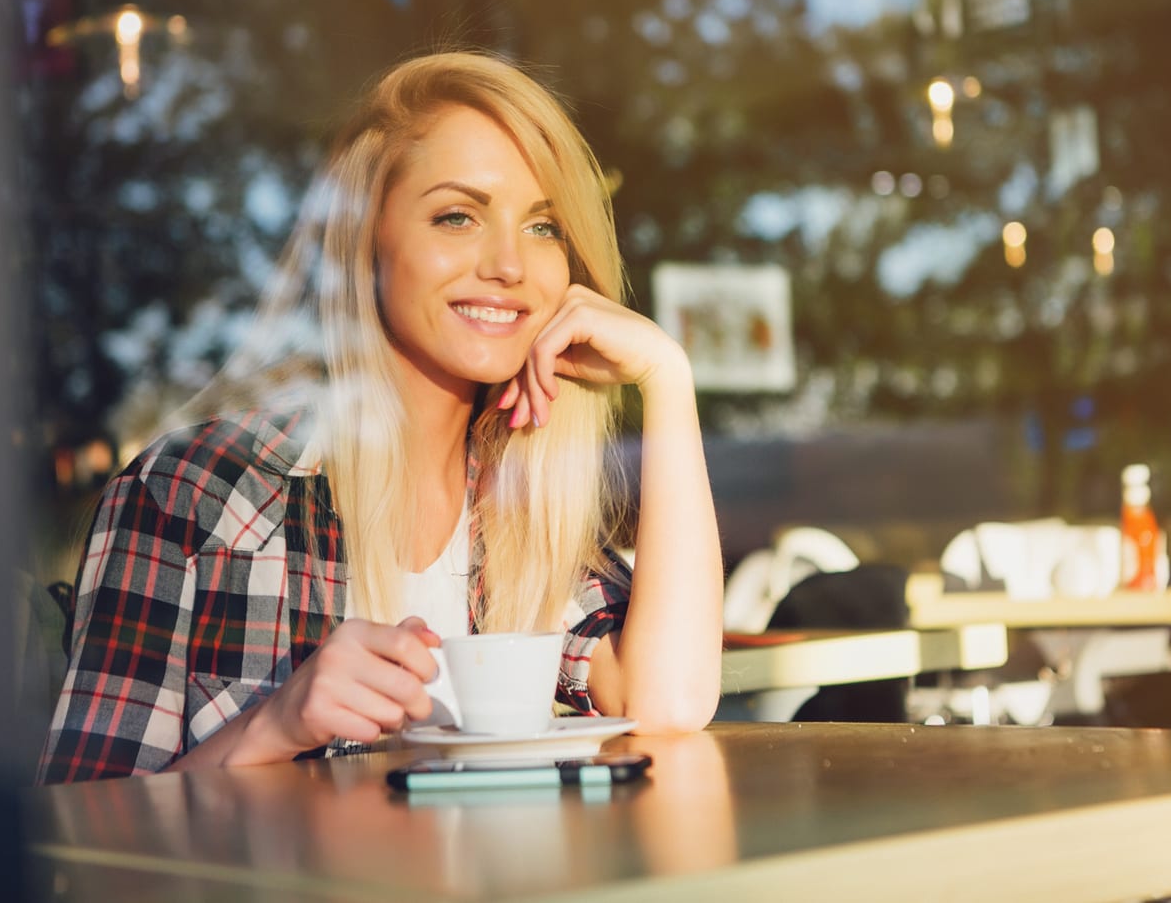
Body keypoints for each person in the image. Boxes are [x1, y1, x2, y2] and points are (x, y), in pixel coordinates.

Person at [38, 51, 724, 783]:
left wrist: (667, 380)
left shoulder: (523, 516)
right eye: (458, 216)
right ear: (367, 242)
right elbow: (83, 836)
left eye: (543, 227)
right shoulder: (196, 495)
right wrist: (274, 725)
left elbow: (668, 703)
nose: (509, 265)